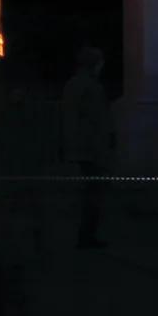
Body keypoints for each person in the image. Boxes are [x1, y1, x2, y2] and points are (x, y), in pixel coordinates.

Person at [60, 46, 114, 249]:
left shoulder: (72, 85)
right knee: (93, 195)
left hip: (78, 148)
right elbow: (96, 120)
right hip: (90, 150)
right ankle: (87, 236)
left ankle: (83, 235)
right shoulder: (91, 87)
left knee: (84, 195)